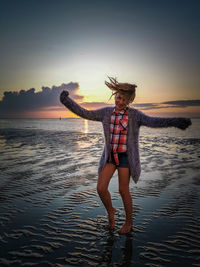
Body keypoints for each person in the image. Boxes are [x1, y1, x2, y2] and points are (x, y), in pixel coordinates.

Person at [60, 76, 191, 234]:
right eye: (119, 98)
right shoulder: (106, 113)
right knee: (101, 188)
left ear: (129, 101)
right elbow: (85, 113)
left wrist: (177, 121)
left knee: (123, 190)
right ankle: (111, 211)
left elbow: (154, 121)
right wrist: (67, 101)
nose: (120, 102)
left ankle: (129, 223)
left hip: (125, 158)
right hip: (110, 156)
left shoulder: (135, 116)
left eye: (125, 100)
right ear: (115, 96)